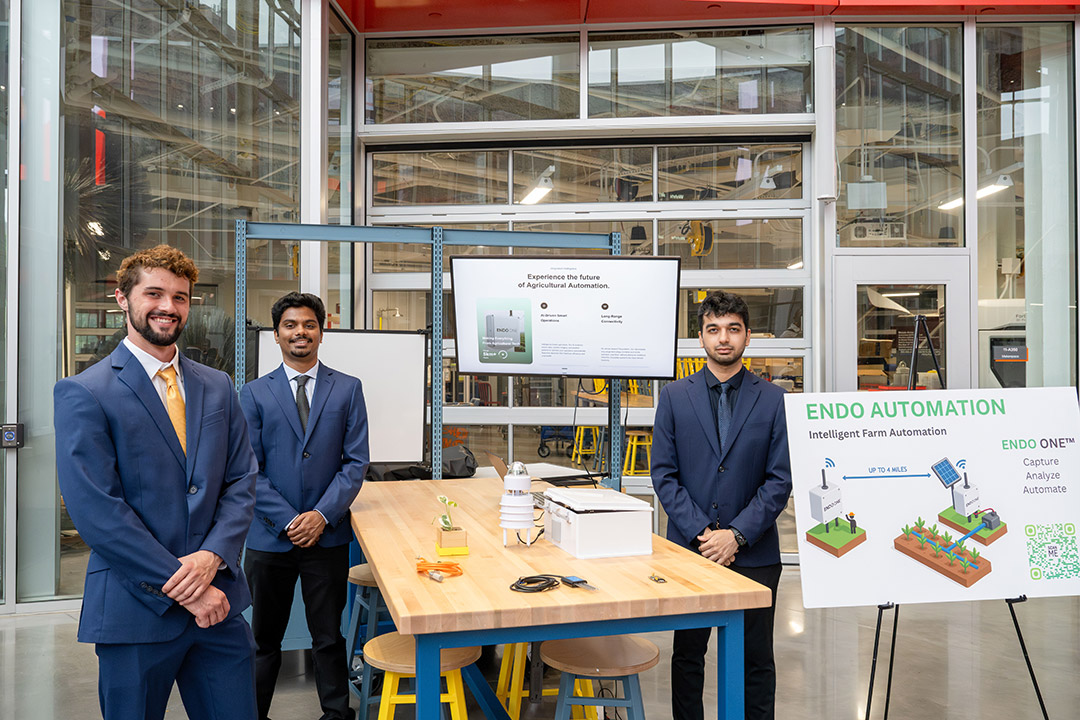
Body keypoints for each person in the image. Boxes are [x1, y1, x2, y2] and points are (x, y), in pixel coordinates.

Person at [54, 245, 259, 720]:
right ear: (123, 299)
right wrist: (187, 587)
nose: (169, 306)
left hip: (219, 608)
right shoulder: (85, 392)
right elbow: (98, 512)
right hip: (135, 609)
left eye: (181, 297)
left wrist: (211, 558)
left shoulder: (218, 386)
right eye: (154, 293)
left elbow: (241, 480)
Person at [652, 290, 792, 720]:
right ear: (701, 338)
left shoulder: (773, 399)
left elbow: (780, 478)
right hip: (691, 553)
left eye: (733, 329)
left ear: (748, 336)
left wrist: (736, 535)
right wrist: (705, 534)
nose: (724, 338)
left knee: (756, 661)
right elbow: (664, 474)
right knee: (689, 657)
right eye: (714, 330)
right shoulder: (675, 397)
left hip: (755, 555)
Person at [240, 292, 370, 720]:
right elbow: (247, 469)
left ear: (321, 331)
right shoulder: (254, 394)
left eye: (309, 324)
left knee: (328, 637)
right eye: (291, 325)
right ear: (277, 334)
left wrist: (320, 516)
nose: (301, 332)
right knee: (263, 640)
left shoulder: (348, 388)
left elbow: (356, 462)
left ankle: (336, 715)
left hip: (327, 536)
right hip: (268, 538)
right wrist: (291, 519)